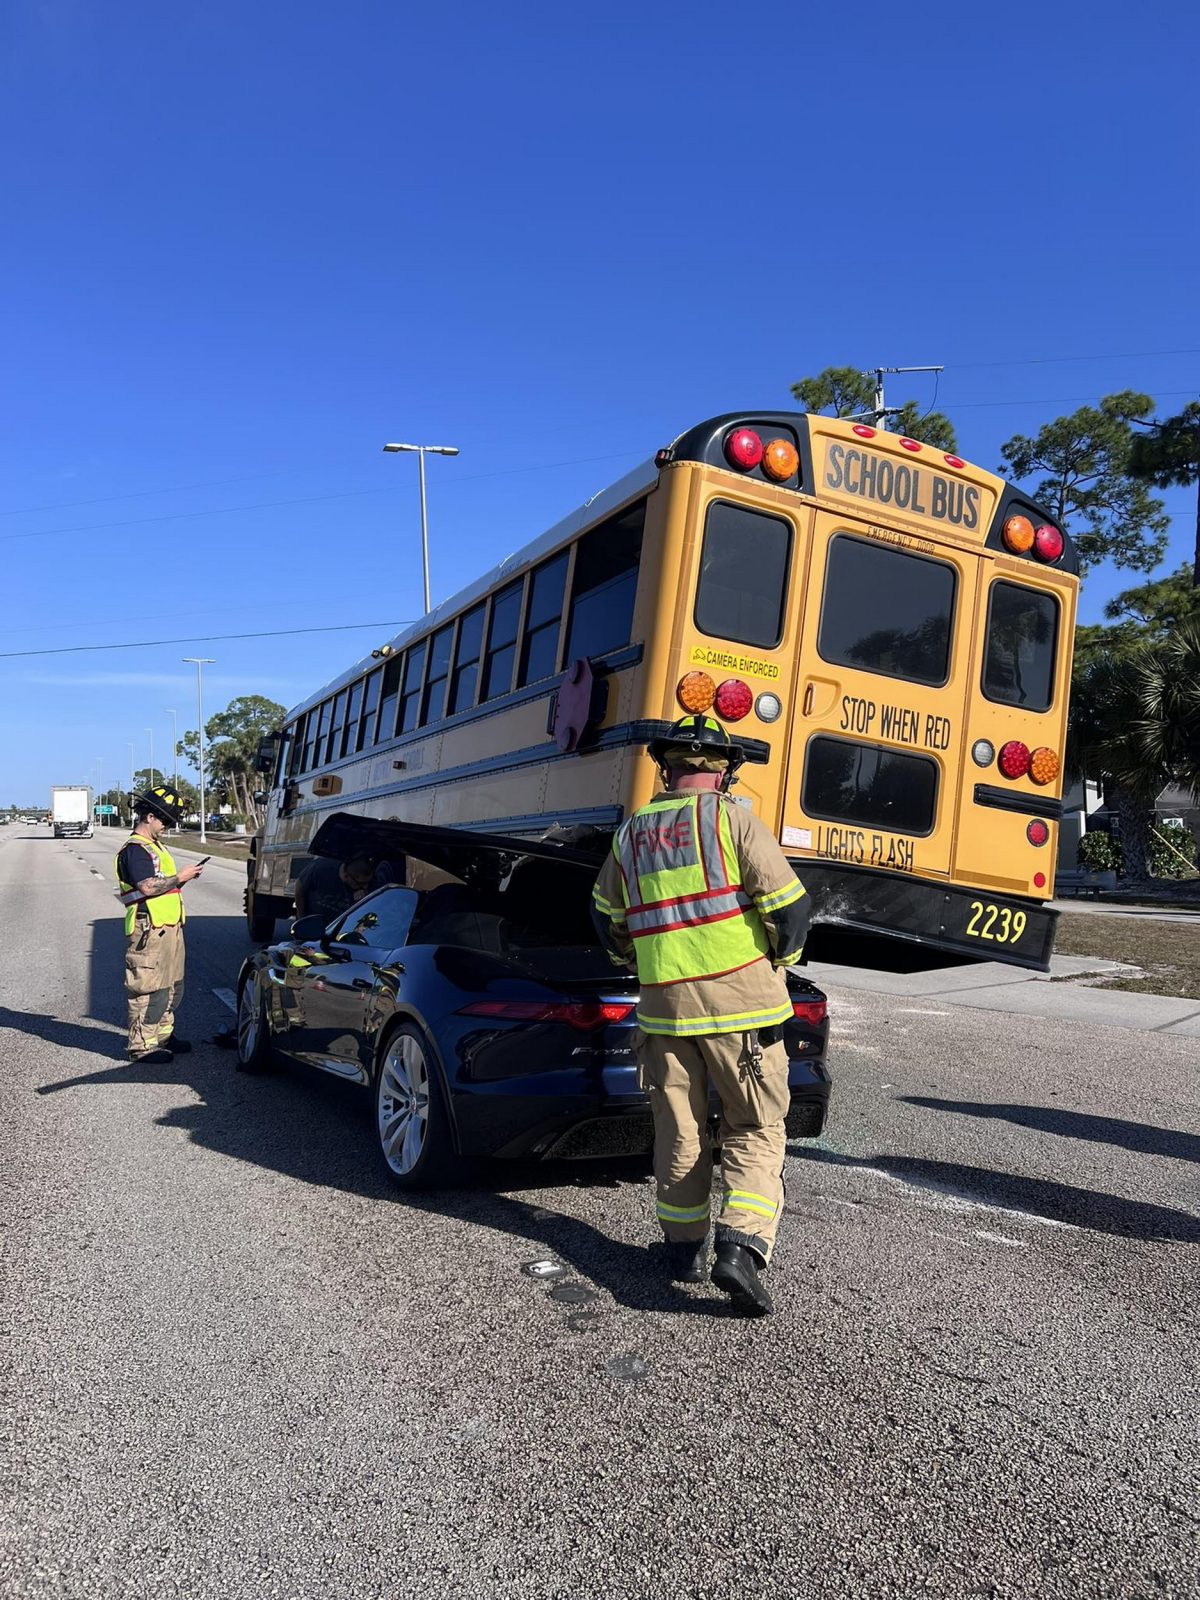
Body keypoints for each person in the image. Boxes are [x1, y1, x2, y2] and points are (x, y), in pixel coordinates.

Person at [590, 714, 811, 1317]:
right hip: (743, 1009)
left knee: (680, 1131)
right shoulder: (733, 819)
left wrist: (636, 955)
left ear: (668, 768)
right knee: (755, 1127)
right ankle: (740, 1247)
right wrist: (781, 958)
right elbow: (790, 907)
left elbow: (605, 915)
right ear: (724, 770)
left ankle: (683, 1248)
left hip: (664, 1012)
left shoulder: (632, 833)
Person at [114, 787, 204, 1064]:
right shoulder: (136, 850)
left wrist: (182, 880)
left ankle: (162, 1036)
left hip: (168, 926)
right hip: (149, 928)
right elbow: (147, 886)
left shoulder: (154, 846)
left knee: (172, 985)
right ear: (149, 816)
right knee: (148, 987)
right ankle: (141, 1046)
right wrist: (180, 876)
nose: (167, 827)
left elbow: (159, 886)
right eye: (164, 821)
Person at [293, 852, 377, 926]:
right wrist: (301, 917)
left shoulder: (368, 884)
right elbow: (299, 889)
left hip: (337, 928)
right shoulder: (320, 868)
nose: (365, 887)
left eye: (367, 883)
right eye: (361, 883)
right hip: (312, 921)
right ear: (346, 876)